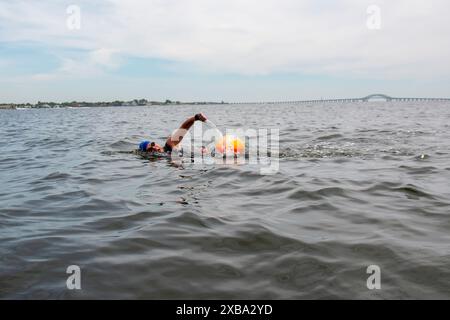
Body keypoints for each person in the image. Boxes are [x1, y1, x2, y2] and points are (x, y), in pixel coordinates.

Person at [138, 113, 208, 154]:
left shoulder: (169, 144)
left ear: (155, 143)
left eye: (153, 144)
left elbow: (183, 129)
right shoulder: (162, 158)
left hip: (201, 151)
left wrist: (196, 117)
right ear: (148, 153)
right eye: (150, 149)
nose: (154, 148)